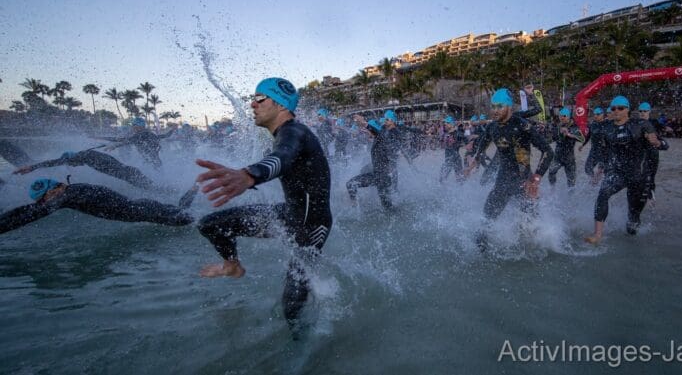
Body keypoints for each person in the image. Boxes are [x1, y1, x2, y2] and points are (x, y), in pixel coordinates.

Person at [194, 77, 332, 334]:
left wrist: (249, 175)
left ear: (280, 105)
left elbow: (280, 158)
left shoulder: (295, 132)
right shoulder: (284, 134)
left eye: (259, 99)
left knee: (291, 306)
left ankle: (305, 348)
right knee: (211, 224)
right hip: (286, 215)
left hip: (311, 226)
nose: (252, 105)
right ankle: (232, 266)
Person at [465, 88, 554, 252]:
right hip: (503, 181)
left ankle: (542, 251)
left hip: (524, 182)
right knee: (486, 220)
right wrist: (471, 166)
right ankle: (480, 256)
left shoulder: (522, 125)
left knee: (531, 229)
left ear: (509, 106)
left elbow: (548, 151)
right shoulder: (492, 127)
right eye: (493, 106)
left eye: (499, 106)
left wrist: (536, 178)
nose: (495, 110)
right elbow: (481, 148)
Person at [585, 96, 667, 244]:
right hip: (617, 173)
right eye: (613, 108)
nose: (616, 111)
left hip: (639, 175)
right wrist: (599, 171)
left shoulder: (641, 124)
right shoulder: (607, 128)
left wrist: (656, 142)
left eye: (620, 108)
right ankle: (597, 235)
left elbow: (665, 145)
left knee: (632, 221)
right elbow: (604, 152)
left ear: (627, 109)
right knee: (603, 194)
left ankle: (633, 229)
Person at [0, 178, 197, 235]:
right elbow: (30, 210)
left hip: (146, 211)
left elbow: (32, 213)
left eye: (45, 198)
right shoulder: (74, 191)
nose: (45, 203)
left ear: (53, 189)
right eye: (42, 201)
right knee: (185, 214)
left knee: (191, 222)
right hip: (145, 207)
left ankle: (197, 189)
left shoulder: (69, 195)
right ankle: (195, 188)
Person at [13, 149, 159, 190]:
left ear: (72, 158)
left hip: (130, 175)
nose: (75, 166)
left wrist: (32, 167)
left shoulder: (86, 156)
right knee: (155, 188)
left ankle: (175, 193)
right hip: (131, 173)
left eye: (72, 163)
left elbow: (56, 162)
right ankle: (173, 191)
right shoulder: (91, 154)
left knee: (154, 189)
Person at [347, 113, 400, 211]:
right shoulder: (379, 140)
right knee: (387, 207)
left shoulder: (381, 137)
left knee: (351, 184)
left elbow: (378, 133)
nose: (366, 133)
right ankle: (356, 207)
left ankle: (354, 210)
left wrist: (364, 123)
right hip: (380, 176)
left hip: (381, 177)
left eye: (368, 131)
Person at [548, 107, 585, 189]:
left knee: (571, 181)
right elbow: (550, 139)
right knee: (551, 172)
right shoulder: (557, 126)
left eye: (564, 116)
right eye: (560, 116)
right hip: (558, 157)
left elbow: (582, 139)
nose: (562, 118)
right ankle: (552, 189)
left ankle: (570, 196)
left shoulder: (574, 127)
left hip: (569, 159)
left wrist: (569, 134)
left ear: (568, 117)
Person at [580, 107, 608, 185]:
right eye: (594, 114)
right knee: (587, 168)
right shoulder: (592, 124)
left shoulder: (607, 124)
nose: (595, 116)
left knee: (601, 169)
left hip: (604, 151)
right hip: (594, 150)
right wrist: (582, 145)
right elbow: (588, 136)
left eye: (598, 114)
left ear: (603, 115)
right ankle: (594, 181)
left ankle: (597, 183)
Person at [439, 116, 467, 183]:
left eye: (447, 123)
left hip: (456, 158)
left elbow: (467, 141)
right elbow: (442, 143)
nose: (445, 124)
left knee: (460, 180)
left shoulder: (458, 133)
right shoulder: (446, 133)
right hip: (448, 159)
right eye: (445, 123)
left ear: (452, 124)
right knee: (441, 179)